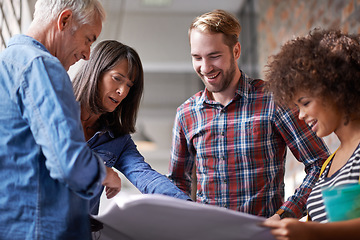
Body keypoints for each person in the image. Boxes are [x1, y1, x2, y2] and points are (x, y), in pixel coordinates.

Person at [168, 9, 330, 220]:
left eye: (214, 56)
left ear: (236, 51)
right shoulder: (186, 114)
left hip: (263, 233)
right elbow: (177, 182)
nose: (205, 67)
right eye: (197, 57)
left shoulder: (273, 100)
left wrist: (285, 214)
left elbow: (320, 164)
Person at [0, 0, 117, 239]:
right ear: (64, 21)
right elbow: (70, 163)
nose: (87, 55)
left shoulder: (8, 63)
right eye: (88, 39)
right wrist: (105, 174)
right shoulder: (42, 66)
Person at [72, 40, 192, 216]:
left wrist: (189, 206)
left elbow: (146, 177)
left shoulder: (117, 140)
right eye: (117, 79)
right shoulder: (57, 111)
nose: (122, 91)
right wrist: (103, 173)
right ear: (95, 73)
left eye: (129, 85)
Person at [262, 29, 360, 239]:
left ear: (336, 89)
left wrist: (310, 232)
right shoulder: (328, 165)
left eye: (305, 103)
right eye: (297, 106)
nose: (301, 115)